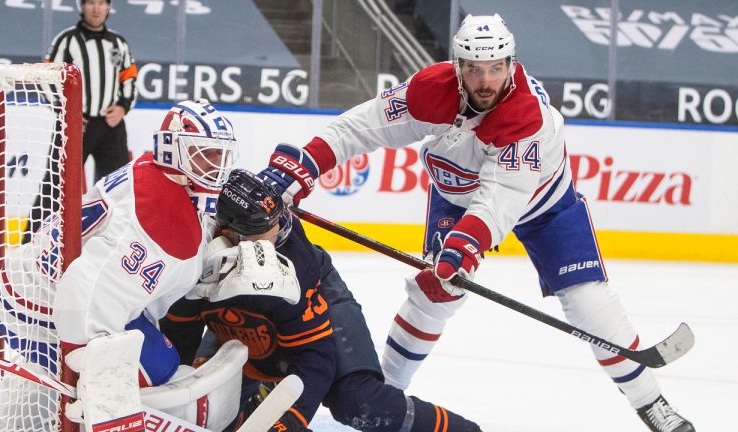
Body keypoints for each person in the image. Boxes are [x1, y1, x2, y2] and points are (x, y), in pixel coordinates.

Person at [257, 13, 695, 432]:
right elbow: (362, 128)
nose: (485, 81)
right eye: (474, 69)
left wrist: (464, 245)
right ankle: (384, 393)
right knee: (434, 293)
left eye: (495, 68)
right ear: (458, 65)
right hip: (457, 195)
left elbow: (500, 200)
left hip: (545, 207)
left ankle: (651, 401)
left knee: (590, 307)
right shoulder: (432, 89)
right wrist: (308, 161)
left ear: (511, 63)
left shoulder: (529, 120)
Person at [161, 169, 482, 432]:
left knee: (358, 401)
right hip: (240, 310)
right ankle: (263, 393)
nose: (279, 235)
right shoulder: (197, 258)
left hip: (312, 308)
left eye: (278, 223)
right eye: (266, 232)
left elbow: (315, 361)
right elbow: (179, 341)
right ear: (227, 235)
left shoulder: (293, 267)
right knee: (206, 403)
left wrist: (287, 422)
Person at [0, 99, 239, 430]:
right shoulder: (161, 220)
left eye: (220, 154)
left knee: (163, 361)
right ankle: (14, 417)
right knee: (159, 372)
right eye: (203, 152)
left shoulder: (156, 172)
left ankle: (4, 409)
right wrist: (96, 377)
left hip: (39, 282)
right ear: (172, 149)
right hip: (41, 308)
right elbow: (85, 292)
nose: (214, 165)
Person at [24, 0, 137, 240]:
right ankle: (30, 243)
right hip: (76, 125)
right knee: (56, 183)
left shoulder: (119, 43)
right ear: (82, 7)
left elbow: (130, 78)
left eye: (101, 3)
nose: (96, 8)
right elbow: (46, 78)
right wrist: (67, 111)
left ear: (108, 8)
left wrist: (123, 108)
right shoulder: (67, 40)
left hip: (111, 126)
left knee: (119, 187)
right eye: (90, 3)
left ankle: (115, 241)